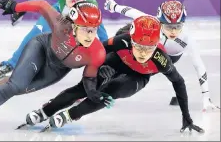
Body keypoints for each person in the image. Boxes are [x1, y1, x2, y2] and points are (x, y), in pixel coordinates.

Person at [0, 0, 113, 129]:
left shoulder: (97, 53)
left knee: (10, 88)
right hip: (40, 49)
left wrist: (94, 94)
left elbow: (88, 80)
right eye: (86, 30)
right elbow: (42, 5)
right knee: (14, 85)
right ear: (74, 26)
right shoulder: (60, 24)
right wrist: (15, 7)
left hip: (56, 70)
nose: (91, 35)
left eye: (94, 30)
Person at [21, 15, 204, 134]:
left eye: (148, 48)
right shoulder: (121, 41)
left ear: (156, 46)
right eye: (138, 46)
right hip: (117, 60)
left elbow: (179, 83)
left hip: (138, 76)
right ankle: (45, 111)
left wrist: (186, 117)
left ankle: (71, 114)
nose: (142, 53)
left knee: (112, 91)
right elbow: (95, 52)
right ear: (131, 41)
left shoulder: (161, 59)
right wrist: (97, 72)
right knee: (83, 88)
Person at [0, 0, 108, 81]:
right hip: (56, 14)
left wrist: (106, 59)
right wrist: (21, 11)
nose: (73, 3)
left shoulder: (92, 7)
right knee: (36, 33)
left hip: (74, 26)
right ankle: (12, 63)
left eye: (77, 0)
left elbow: (101, 33)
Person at [104, 0, 219, 111]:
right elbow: (132, 12)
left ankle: (114, 82)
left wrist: (206, 96)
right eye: (168, 27)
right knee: (125, 33)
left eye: (177, 26)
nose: (173, 31)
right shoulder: (152, 22)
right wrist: (113, 6)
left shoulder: (186, 38)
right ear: (160, 22)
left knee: (132, 73)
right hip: (148, 49)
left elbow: (199, 66)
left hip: (164, 58)